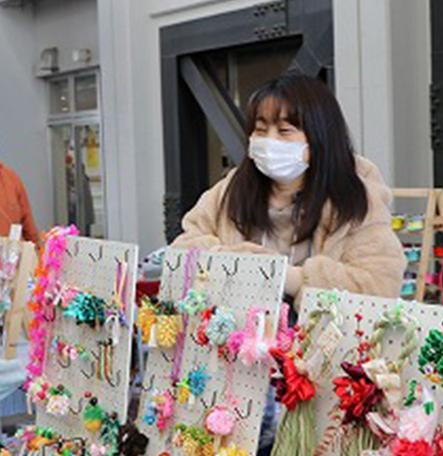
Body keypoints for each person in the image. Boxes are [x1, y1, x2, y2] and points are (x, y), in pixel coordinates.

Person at [172, 73, 405, 302]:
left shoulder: (355, 199)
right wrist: (230, 262)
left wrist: (291, 278)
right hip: (236, 337)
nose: (270, 141)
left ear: (320, 136)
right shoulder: (228, 192)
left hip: (315, 338)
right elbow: (180, 257)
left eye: (284, 131)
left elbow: (380, 285)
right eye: (260, 130)